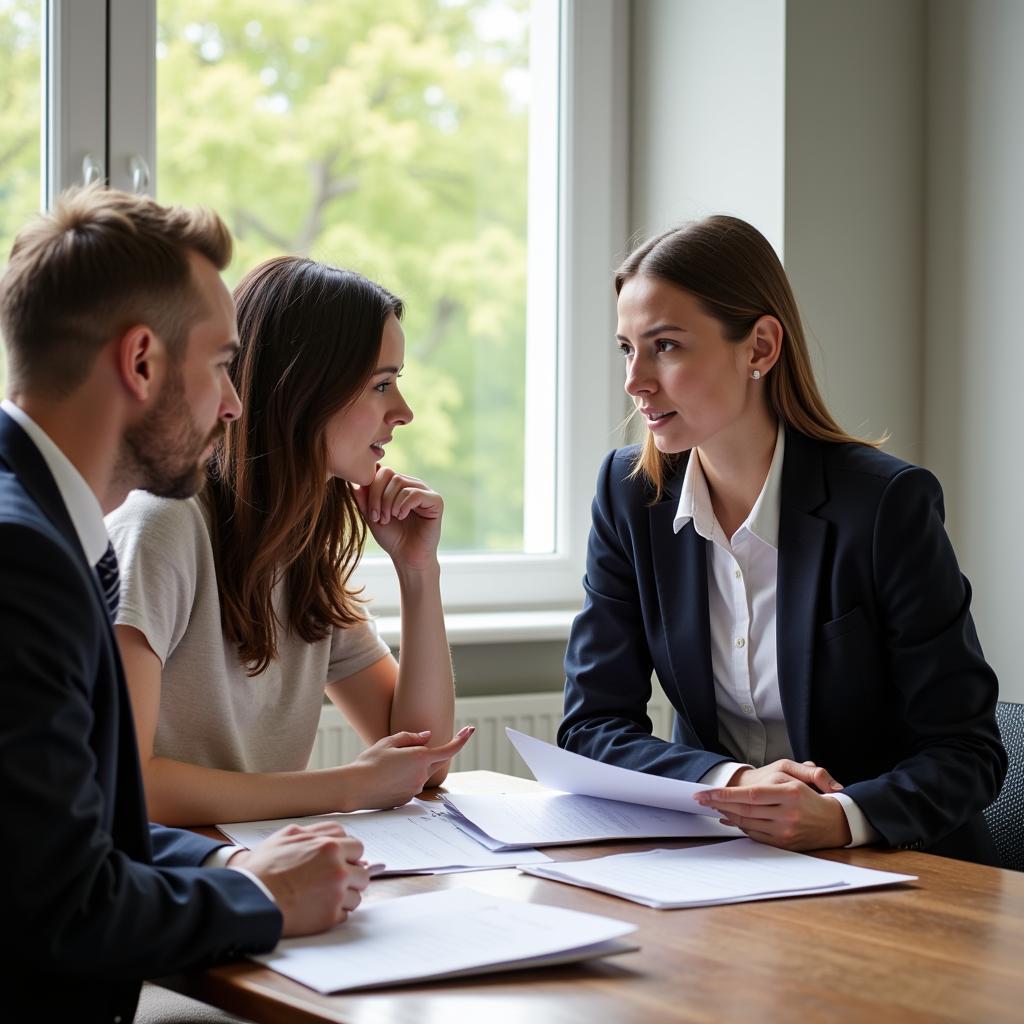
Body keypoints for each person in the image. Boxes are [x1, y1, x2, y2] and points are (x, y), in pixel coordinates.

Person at [0, 187, 371, 1022]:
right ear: (141, 363)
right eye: (220, 366)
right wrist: (263, 904)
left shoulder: (50, 527)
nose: (235, 404)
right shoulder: (21, 560)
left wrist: (230, 868)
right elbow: (60, 909)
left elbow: (61, 835)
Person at [558, 215, 1006, 863]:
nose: (635, 381)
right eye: (628, 348)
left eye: (667, 346)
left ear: (761, 348)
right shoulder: (632, 496)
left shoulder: (885, 505)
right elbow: (591, 724)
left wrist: (840, 816)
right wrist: (731, 783)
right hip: (727, 866)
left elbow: (967, 752)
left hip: (897, 869)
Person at [108, 255, 470, 827]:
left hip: (254, 860)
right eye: (381, 384)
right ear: (302, 391)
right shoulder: (162, 528)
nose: (403, 412)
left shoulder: (302, 552)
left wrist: (418, 571)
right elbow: (130, 785)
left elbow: (422, 759)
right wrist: (347, 787)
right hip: (164, 880)